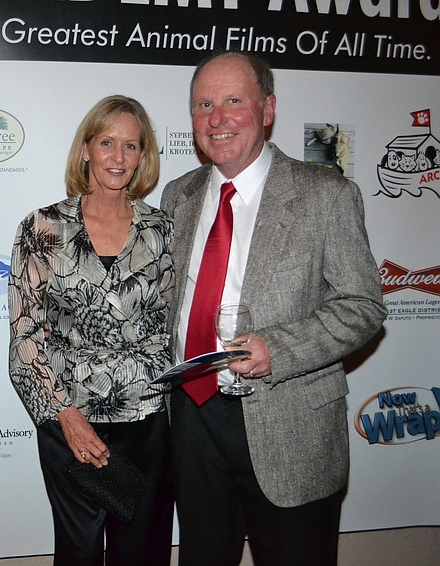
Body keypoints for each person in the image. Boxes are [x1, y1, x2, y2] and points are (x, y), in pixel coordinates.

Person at [160, 51, 386, 566]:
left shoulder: (327, 195)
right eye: (203, 105)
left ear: (267, 109)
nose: (217, 118)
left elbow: (362, 305)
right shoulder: (178, 196)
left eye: (233, 101)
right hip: (193, 421)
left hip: (291, 424)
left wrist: (276, 351)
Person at [9, 95, 174, 566]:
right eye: (107, 143)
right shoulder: (43, 227)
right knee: (78, 553)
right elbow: (24, 338)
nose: (118, 157)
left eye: (131, 145)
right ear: (85, 149)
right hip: (69, 419)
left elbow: (171, 326)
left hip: (146, 421)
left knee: (141, 554)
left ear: (143, 156)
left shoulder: (162, 230)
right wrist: (66, 416)